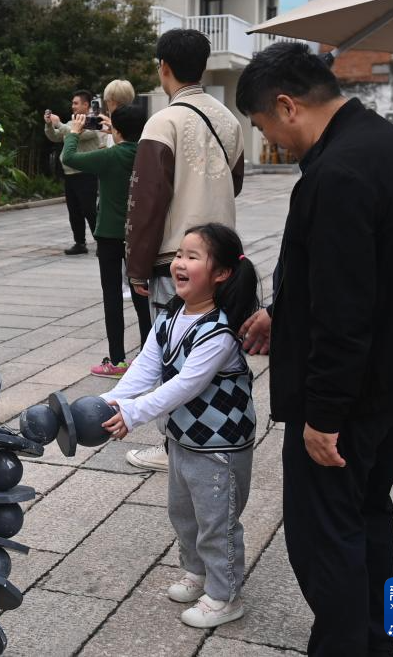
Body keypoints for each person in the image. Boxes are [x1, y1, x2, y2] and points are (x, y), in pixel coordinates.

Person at [235, 42, 393, 656]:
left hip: (350, 393)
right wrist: (282, 312)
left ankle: (344, 646)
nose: (273, 141)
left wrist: (322, 415)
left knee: (323, 533)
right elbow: (368, 270)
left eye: (265, 128)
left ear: (286, 105)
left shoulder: (338, 172)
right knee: (373, 511)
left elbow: (344, 311)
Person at [100, 223, 259, 628]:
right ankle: (199, 573)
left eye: (192, 256)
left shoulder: (218, 330)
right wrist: (111, 400)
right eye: (178, 256)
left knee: (216, 519)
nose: (178, 264)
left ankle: (225, 596)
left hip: (220, 443)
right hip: (185, 438)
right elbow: (147, 367)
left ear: (221, 273)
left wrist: (133, 414)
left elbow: (185, 385)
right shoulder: (172, 313)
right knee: (183, 512)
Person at [123, 28, 245, 473]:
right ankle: (212, 427)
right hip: (222, 257)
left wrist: (136, 265)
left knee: (171, 350)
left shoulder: (164, 121)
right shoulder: (229, 120)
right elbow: (236, 183)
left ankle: (174, 443)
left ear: (164, 68)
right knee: (212, 346)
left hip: (176, 259)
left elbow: (147, 201)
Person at [60, 104, 147, 378]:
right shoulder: (147, 154)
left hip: (110, 235)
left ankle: (118, 361)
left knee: (112, 297)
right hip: (140, 236)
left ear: (117, 130)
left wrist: (74, 131)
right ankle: (148, 360)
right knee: (142, 297)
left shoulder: (109, 156)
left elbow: (69, 157)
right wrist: (118, 132)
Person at [99, 79, 154, 348]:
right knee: (141, 290)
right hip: (140, 223)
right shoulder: (142, 127)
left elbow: (72, 157)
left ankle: (117, 355)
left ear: (112, 101)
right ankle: (147, 352)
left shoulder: (119, 137)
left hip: (113, 223)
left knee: (114, 292)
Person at [44, 90, 101, 254]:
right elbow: (55, 136)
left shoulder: (94, 121)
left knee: (89, 209)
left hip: (86, 173)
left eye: (76, 103)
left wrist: (60, 124)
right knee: (74, 210)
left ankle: (101, 241)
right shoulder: (71, 122)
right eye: (73, 103)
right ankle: (80, 243)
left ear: (86, 105)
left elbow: (76, 135)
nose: (73, 106)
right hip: (70, 174)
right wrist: (49, 124)